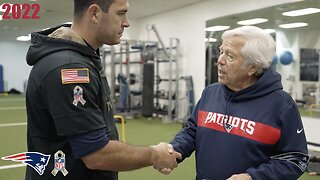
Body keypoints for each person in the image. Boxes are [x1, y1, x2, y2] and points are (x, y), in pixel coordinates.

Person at [25, 0, 181, 179]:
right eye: (121, 13)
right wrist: (154, 155)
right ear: (95, 13)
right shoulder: (70, 68)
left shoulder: (83, 58)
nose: (127, 22)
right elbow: (96, 155)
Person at [169, 26, 310, 180]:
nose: (220, 60)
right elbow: (192, 131)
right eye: (221, 51)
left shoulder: (282, 105)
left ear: (252, 68)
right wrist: (175, 150)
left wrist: (252, 177)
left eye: (230, 56)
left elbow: (295, 159)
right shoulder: (210, 93)